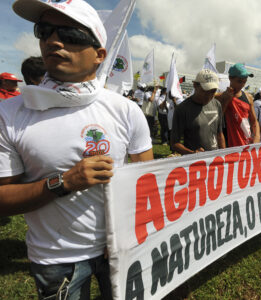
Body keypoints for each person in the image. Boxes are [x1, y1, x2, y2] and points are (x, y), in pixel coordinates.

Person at [1, 1, 154, 299]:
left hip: (122, 247)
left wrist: (131, 234)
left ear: (99, 55)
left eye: (71, 34)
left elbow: (146, 182)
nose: (54, 41)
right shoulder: (10, 113)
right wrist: (64, 183)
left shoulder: (126, 110)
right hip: (57, 259)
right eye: (44, 31)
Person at [171, 69, 226, 154]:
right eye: (206, 90)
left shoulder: (217, 104)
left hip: (215, 159)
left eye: (213, 91)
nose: (210, 95)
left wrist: (223, 154)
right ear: (195, 85)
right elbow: (174, 143)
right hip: (194, 163)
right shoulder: (182, 109)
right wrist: (193, 154)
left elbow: (219, 134)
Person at [217, 63, 260, 147]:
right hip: (227, 144)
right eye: (239, 81)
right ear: (230, 78)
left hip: (246, 142)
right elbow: (217, 121)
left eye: (244, 81)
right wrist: (226, 100)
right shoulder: (220, 96)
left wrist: (257, 137)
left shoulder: (248, 97)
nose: (242, 85)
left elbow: (254, 121)